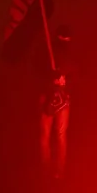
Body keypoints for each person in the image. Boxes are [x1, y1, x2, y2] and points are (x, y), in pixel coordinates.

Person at [39, 25, 73, 180]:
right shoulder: (47, 52)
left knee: (58, 135)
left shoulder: (70, 53)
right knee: (47, 135)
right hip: (48, 97)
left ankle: (58, 171)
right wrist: (50, 79)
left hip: (63, 99)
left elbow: (76, 75)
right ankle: (47, 170)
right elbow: (37, 73)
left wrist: (65, 81)